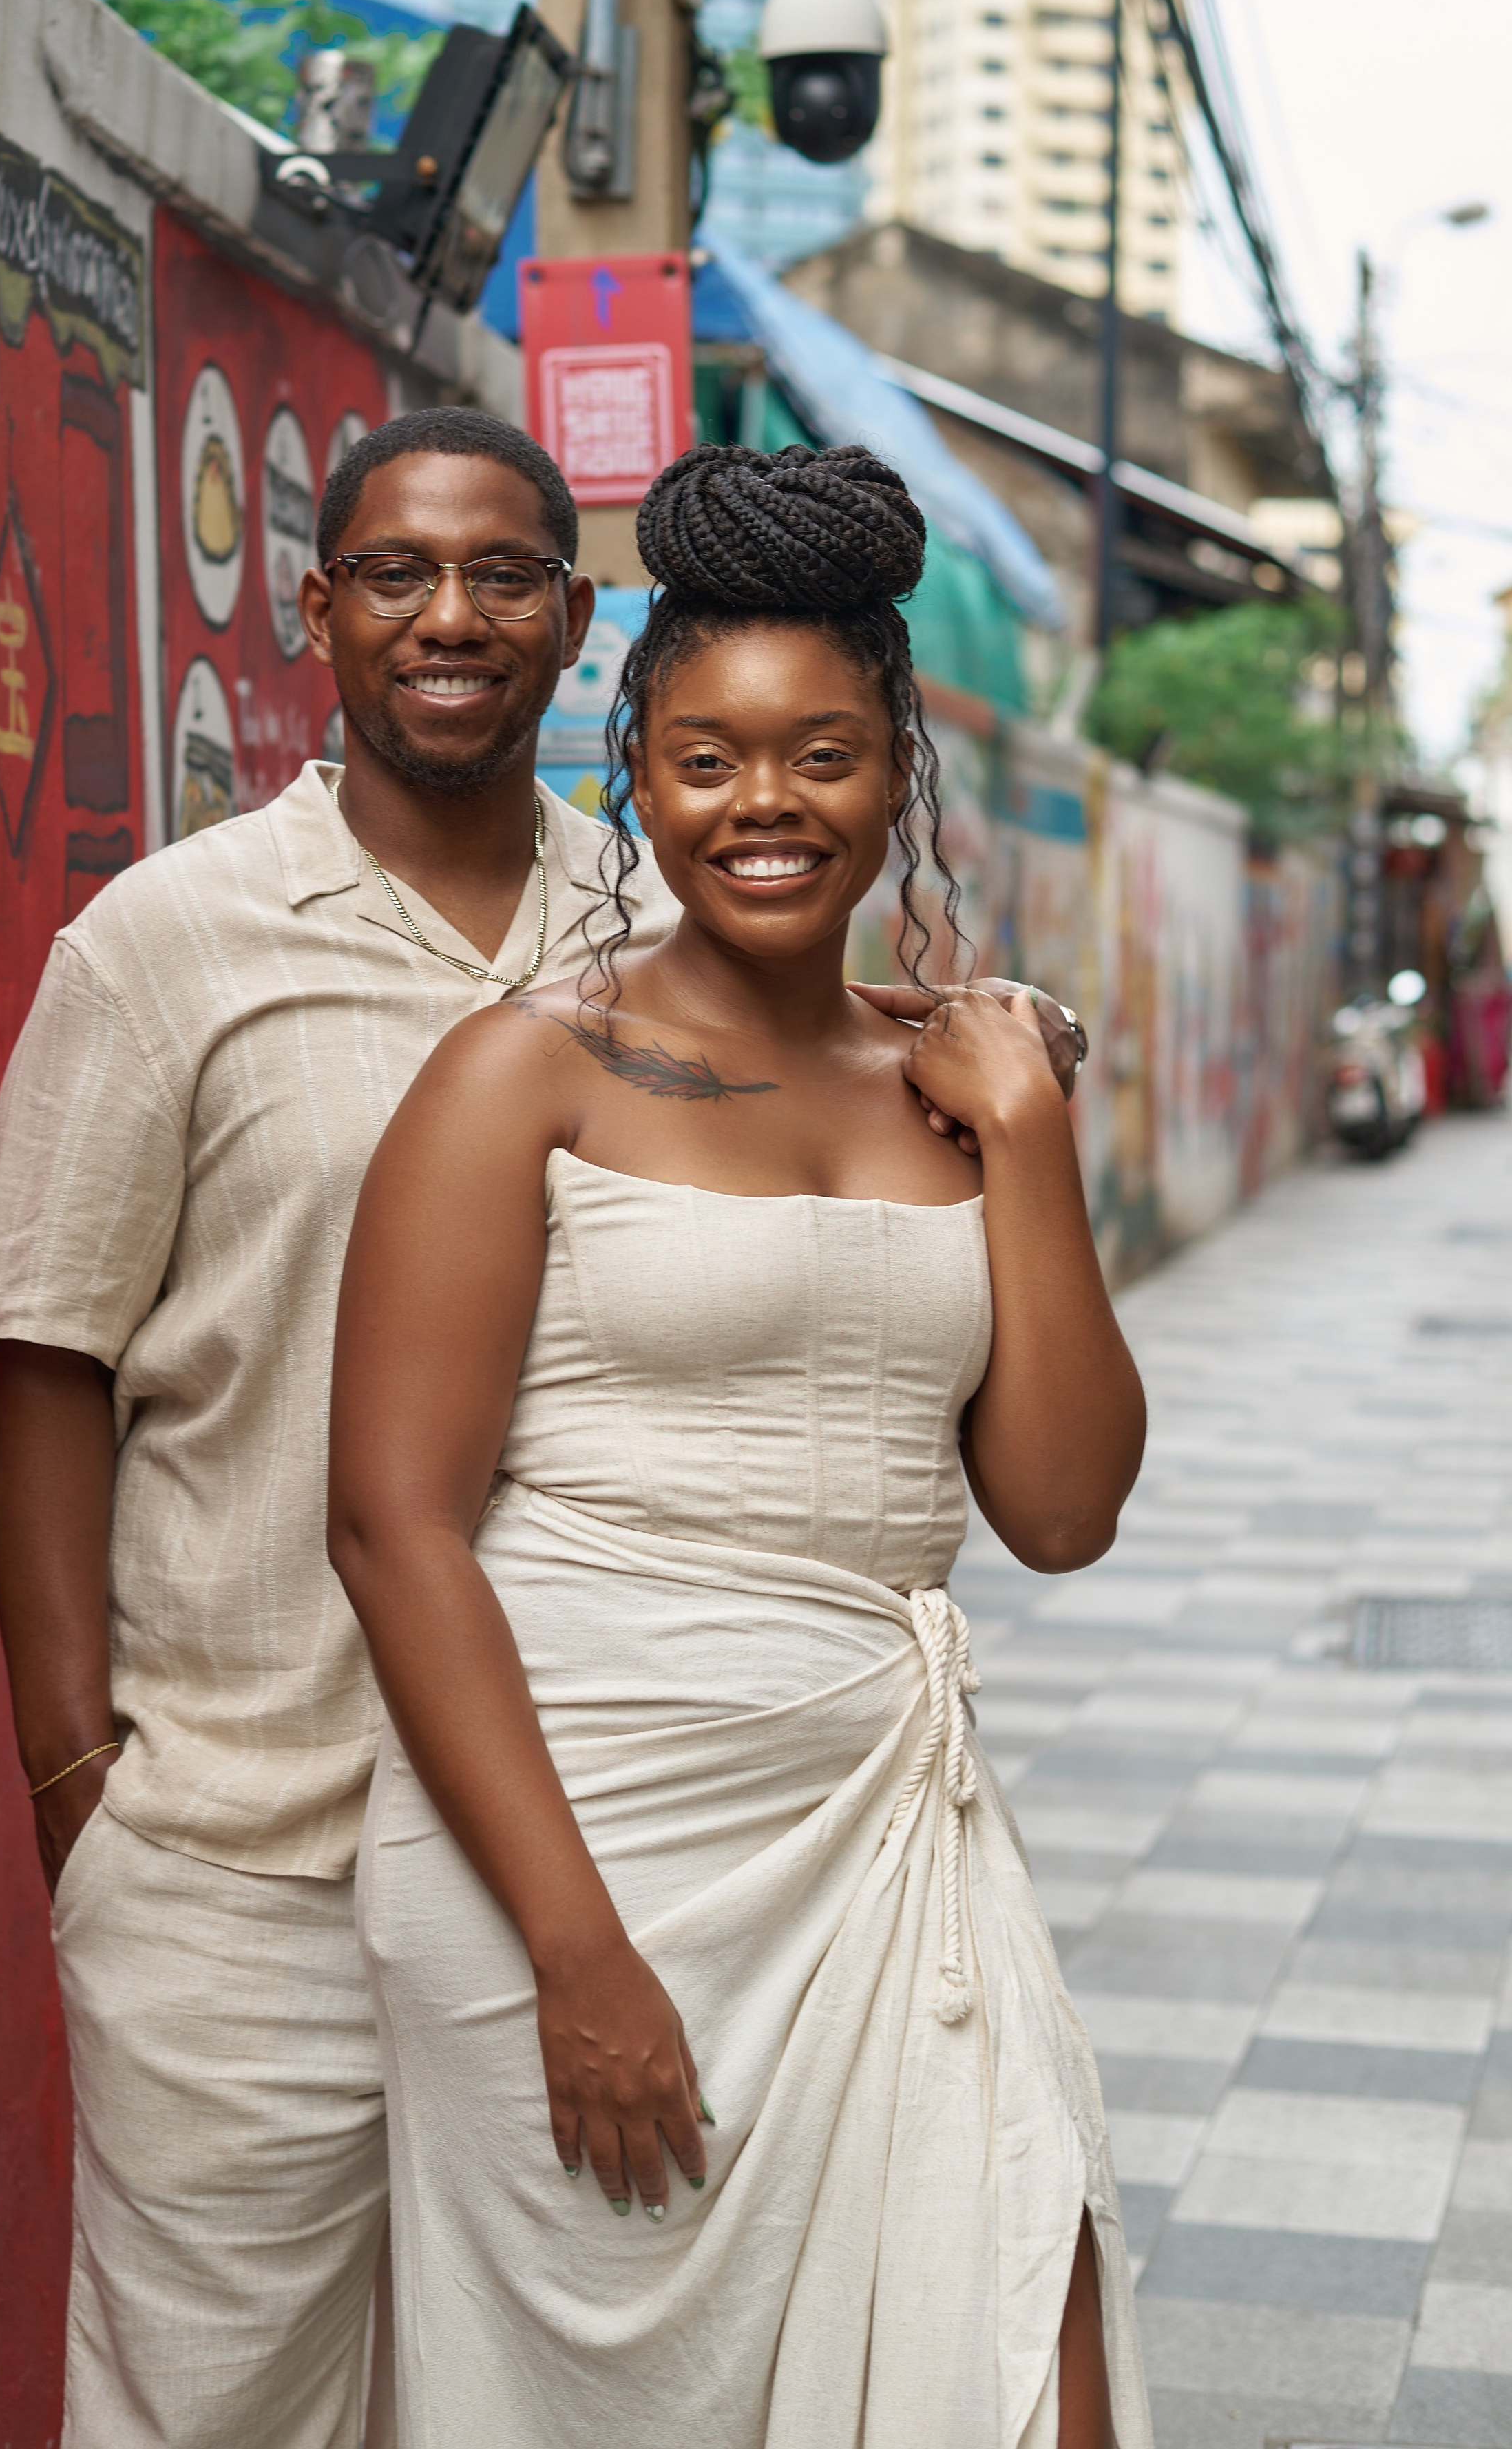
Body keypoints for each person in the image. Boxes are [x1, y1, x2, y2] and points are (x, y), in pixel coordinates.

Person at [328, 443, 1153, 2449]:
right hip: (579, 1858)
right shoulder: (525, 1071)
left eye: (821, 756)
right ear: (639, 770)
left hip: (886, 1833)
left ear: (897, 773)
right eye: (706, 760)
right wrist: (575, 1955)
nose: (762, 804)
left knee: (1024, 2348)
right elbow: (393, 1529)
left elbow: (1060, 1510)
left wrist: (1029, 1134)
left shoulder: (963, 1086)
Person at [0, 411, 680, 2449]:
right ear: (317, 606)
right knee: (211, 2417)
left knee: (564, 2411)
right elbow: (44, 1357)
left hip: (590, 1856)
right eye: (396, 573)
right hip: (243, 1860)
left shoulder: (664, 929)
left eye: (505, 575)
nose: (451, 617)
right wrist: (83, 1786)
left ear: (577, 620)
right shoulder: (169, 937)